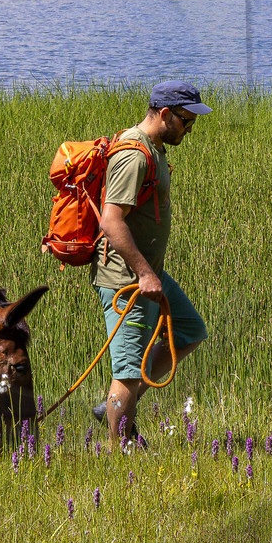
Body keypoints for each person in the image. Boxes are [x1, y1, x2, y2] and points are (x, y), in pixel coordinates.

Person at [90, 80, 210, 447]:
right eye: (186, 121)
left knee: (189, 330)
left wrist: (151, 273)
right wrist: (143, 273)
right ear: (163, 114)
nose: (190, 130)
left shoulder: (153, 148)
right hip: (126, 280)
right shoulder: (134, 155)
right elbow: (111, 221)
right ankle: (115, 453)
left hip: (149, 275)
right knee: (126, 372)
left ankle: (118, 409)